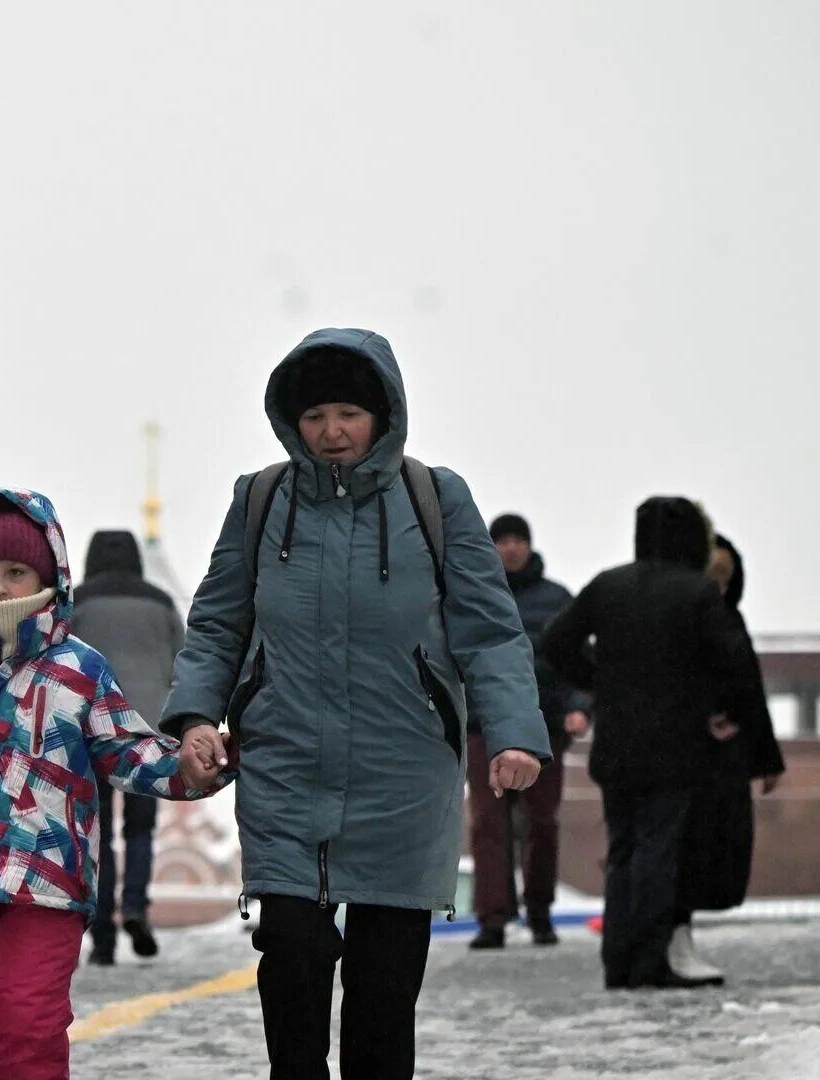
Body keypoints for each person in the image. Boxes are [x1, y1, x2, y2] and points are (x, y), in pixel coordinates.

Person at [163, 329, 548, 1080]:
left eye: (347, 413)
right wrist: (195, 719)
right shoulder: (260, 501)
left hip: (401, 771)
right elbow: (217, 623)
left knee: (382, 989)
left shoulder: (434, 499)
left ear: (383, 414)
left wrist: (513, 734)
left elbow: (491, 632)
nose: (331, 432)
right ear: (289, 420)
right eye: (314, 417)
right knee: (292, 966)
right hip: (286, 765)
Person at [0, 489, 220, 1080]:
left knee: (29, 1025)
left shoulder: (79, 669)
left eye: (17, 572)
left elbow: (124, 747)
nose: (0, 588)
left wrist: (188, 767)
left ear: (48, 575)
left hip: (48, 879)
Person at [543, 498, 754, 990]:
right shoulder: (697, 592)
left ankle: (617, 961)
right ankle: (650, 960)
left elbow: (555, 641)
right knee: (660, 848)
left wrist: (598, 680)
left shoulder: (609, 585)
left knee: (622, 850)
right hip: (678, 745)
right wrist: (718, 707)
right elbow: (734, 661)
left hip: (616, 742)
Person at [668, 533, 788, 982]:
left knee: (711, 850)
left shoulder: (728, 621)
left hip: (722, 761)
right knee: (689, 850)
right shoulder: (699, 623)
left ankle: (677, 937)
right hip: (696, 760)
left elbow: (749, 692)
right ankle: (673, 939)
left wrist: (765, 757)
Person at [467, 514, 590, 949]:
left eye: (518, 540)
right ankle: (492, 919)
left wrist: (578, 707)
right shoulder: (474, 594)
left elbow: (579, 660)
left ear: (529, 546)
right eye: (502, 540)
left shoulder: (558, 599)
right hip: (481, 724)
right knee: (488, 823)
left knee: (542, 822)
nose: (511, 548)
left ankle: (539, 912)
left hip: (545, 724)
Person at [70, 530, 185, 965]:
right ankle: (135, 906)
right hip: (148, 733)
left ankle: (102, 935)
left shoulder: (74, 603)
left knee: (97, 834)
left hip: (88, 733)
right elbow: (187, 661)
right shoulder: (160, 603)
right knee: (140, 830)